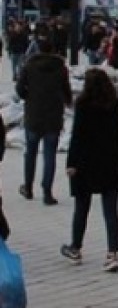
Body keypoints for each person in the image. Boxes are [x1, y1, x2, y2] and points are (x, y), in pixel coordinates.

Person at [60, 68, 118, 272]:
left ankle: (75, 247)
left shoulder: (83, 105)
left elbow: (77, 136)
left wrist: (71, 163)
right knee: (111, 211)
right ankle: (112, 253)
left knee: (81, 209)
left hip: (85, 165)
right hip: (110, 164)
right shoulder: (117, 106)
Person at [16, 38, 72, 205]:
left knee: (30, 153)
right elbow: (66, 90)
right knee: (49, 155)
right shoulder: (61, 68)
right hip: (53, 116)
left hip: (33, 115)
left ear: (38, 50)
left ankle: (28, 187)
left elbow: (19, 89)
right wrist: (66, 101)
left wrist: (29, 98)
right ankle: (47, 192)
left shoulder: (29, 66)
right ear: (53, 50)